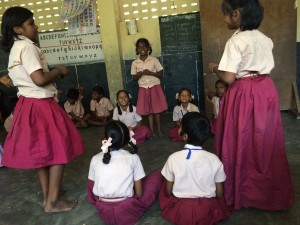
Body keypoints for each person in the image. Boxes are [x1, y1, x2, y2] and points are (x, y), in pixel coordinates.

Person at [208, 0, 294, 210]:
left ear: (236, 15)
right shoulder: (265, 39)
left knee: (241, 135)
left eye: (226, 14)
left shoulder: (235, 41)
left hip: (244, 92)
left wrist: (214, 68)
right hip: (266, 89)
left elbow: (229, 77)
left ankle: (244, 190)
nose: (225, 18)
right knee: (263, 138)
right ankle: (268, 189)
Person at [0, 6, 85, 212]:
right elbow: (39, 80)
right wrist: (59, 71)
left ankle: (48, 196)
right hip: (40, 105)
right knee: (58, 150)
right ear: (18, 29)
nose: (35, 26)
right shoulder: (27, 47)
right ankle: (53, 202)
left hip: (28, 104)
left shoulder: (17, 48)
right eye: (30, 23)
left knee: (43, 153)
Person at [159, 112, 233, 225]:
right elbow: (219, 194)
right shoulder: (214, 159)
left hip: (182, 210)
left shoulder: (173, 158)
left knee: (163, 180)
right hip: (207, 210)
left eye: (181, 127)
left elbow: (168, 192)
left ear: (185, 136)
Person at [87, 120, 163, 225]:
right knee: (157, 176)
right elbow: (139, 194)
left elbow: (90, 188)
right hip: (128, 210)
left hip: (105, 213)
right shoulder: (133, 157)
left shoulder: (95, 158)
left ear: (105, 138)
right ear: (127, 140)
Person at [131, 38, 168, 138]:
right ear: (137, 49)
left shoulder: (154, 60)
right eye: (140, 47)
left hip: (154, 86)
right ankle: (152, 130)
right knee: (149, 111)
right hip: (143, 88)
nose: (142, 48)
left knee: (157, 110)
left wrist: (150, 73)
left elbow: (160, 73)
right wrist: (139, 75)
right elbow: (134, 78)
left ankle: (159, 129)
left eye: (144, 46)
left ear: (148, 48)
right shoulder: (135, 63)